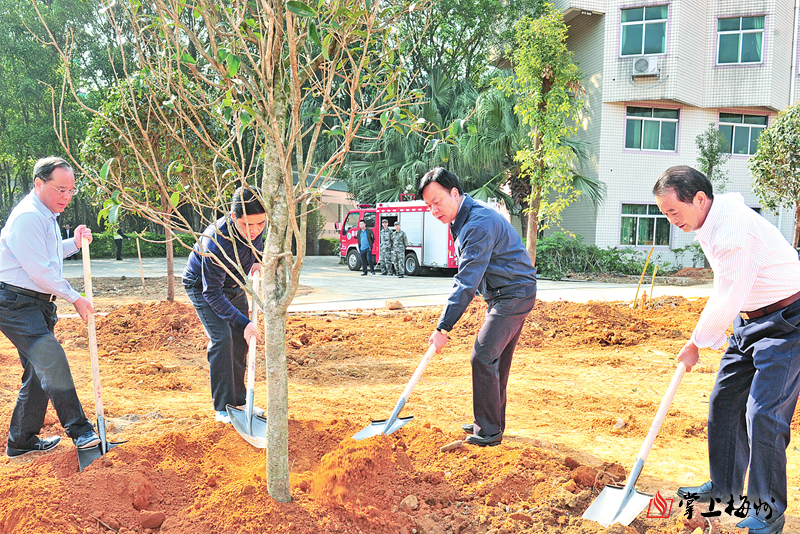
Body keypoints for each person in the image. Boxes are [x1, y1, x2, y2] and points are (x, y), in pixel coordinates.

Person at [655, 166, 800, 534]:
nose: (672, 222)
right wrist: (707, 336)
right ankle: (724, 489)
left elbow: (729, 293)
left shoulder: (732, 228)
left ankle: (767, 512)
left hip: (787, 323)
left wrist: (697, 342)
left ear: (699, 199)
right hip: (749, 321)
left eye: (673, 212)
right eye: (665, 215)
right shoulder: (709, 222)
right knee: (724, 400)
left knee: (764, 414)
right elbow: (728, 290)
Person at [419, 167, 537, 447]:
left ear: (455, 193)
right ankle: (489, 421)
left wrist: (443, 327)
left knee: (482, 356)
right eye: (428, 206)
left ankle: (488, 431)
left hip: (513, 295)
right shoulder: (464, 219)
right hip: (505, 293)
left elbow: (466, 281)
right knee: (496, 359)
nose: (434, 210)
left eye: (437, 202)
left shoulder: (477, 223)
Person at [0, 156, 101, 459]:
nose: (66, 197)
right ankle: (80, 429)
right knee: (51, 358)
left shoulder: (45, 216)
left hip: (36, 304)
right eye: (60, 190)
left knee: (36, 372)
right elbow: (39, 271)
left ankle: (21, 441)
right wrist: (76, 298)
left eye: (71, 191)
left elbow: (49, 256)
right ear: (39, 183)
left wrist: (74, 243)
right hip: (16, 303)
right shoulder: (28, 216)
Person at [182, 187, 265, 424]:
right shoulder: (216, 241)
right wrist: (244, 322)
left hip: (233, 281)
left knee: (240, 339)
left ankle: (239, 400)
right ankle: (223, 407)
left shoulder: (256, 227)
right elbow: (213, 293)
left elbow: (256, 242)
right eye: (247, 225)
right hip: (203, 286)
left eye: (260, 223)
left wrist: (256, 259)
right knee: (222, 338)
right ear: (232, 216)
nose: (255, 230)